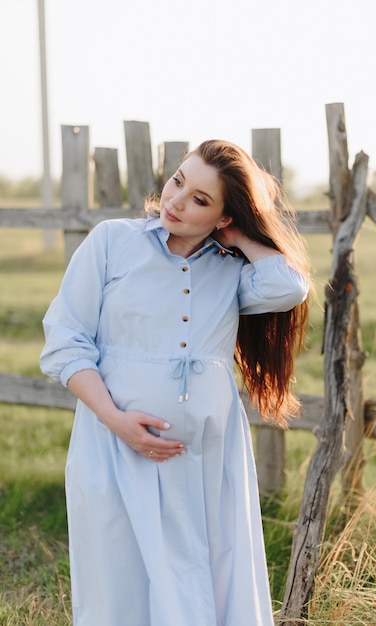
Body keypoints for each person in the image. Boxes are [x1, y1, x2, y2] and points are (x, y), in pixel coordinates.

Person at [40, 139, 310, 626]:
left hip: (205, 452)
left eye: (201, 201)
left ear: (225, 218)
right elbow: (66, 341)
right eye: (178, 181)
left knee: (205, 570)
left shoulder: (229, 270)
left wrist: (241, 239)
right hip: (115, 444)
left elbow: (288, 285)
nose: (176, 201)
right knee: (120, 578)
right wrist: (116, 420)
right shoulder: (111, 242)